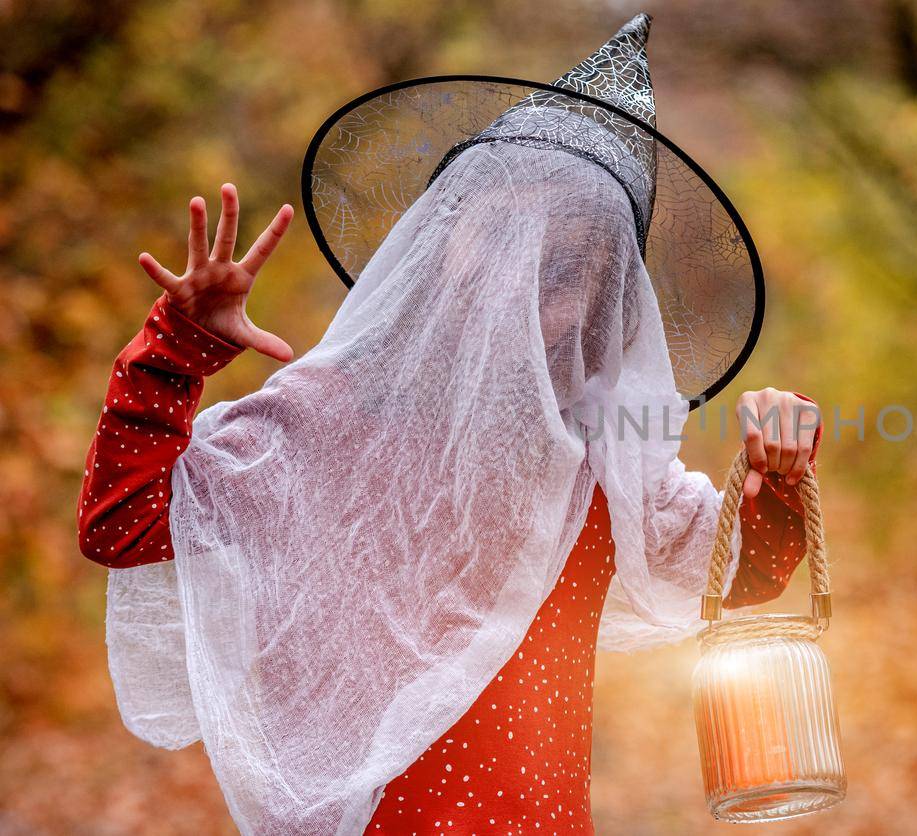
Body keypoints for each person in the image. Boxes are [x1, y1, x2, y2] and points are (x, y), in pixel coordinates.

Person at [79, 15, 822, 834]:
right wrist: (173, 354)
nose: (536, 291)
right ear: (445, 249)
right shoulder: (330, 422)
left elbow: (740, 573)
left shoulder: (601, 467)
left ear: (609, 305)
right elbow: (125, 524)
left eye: (576, 267)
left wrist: (776, 475)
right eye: (509, 250)